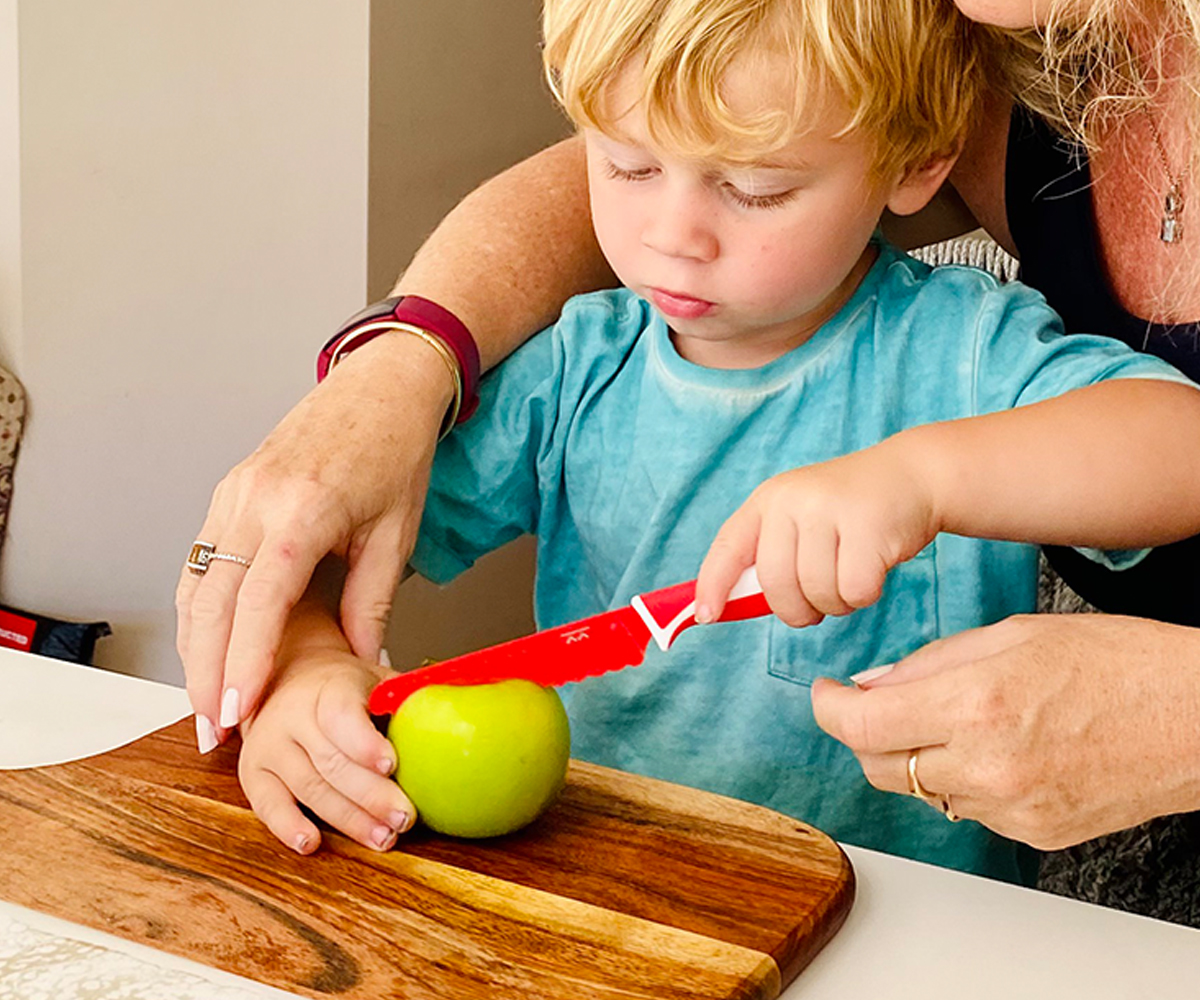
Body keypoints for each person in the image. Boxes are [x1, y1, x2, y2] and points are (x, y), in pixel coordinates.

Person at [177, 0, 1200, 919]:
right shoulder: (576, 369)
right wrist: (310, 665)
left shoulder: (967, 354)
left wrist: (926, 477)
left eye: (754, 189)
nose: (673, 236)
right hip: (618, 912)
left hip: (917, 932)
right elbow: (332, 548)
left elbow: (1179, 441)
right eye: (626, 166)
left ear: (916, 163)